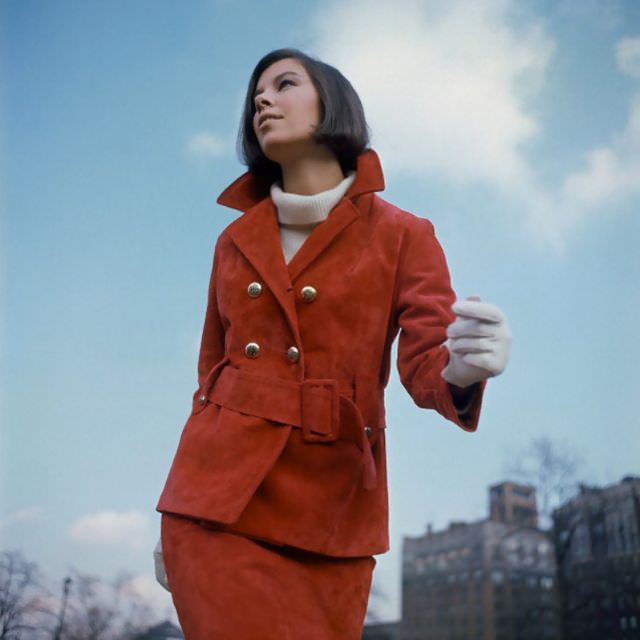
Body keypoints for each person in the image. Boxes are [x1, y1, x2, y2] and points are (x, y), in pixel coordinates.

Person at [153, 47, 511, 639]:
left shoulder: (403, 234)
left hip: (333, 509)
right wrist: (178, 502)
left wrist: (466, 369)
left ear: (333, 104)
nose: (262, 101)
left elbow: (425, 361)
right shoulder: (233, 240)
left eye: (284, 84)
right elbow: (208, 382)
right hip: (213, 509)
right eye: (255, 96)